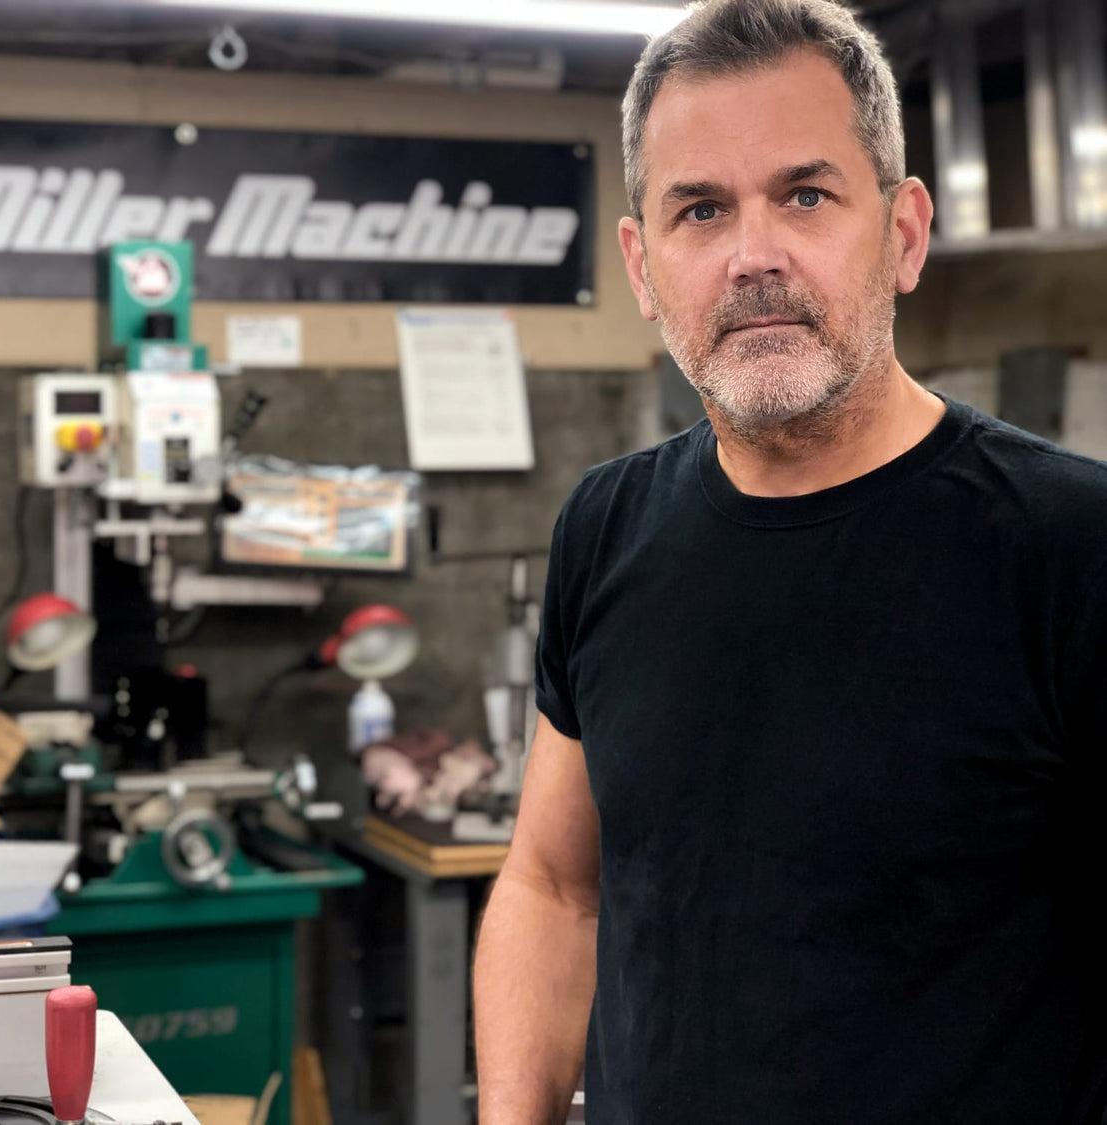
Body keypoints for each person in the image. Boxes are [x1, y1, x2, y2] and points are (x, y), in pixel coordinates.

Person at [472, 1, 1107, 1122]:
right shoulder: (604, 528)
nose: (754, 256)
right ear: (643, 265)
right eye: (701, 210)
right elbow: (555, 885)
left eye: (806, 197)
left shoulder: (1070, 545)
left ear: (904, 234)